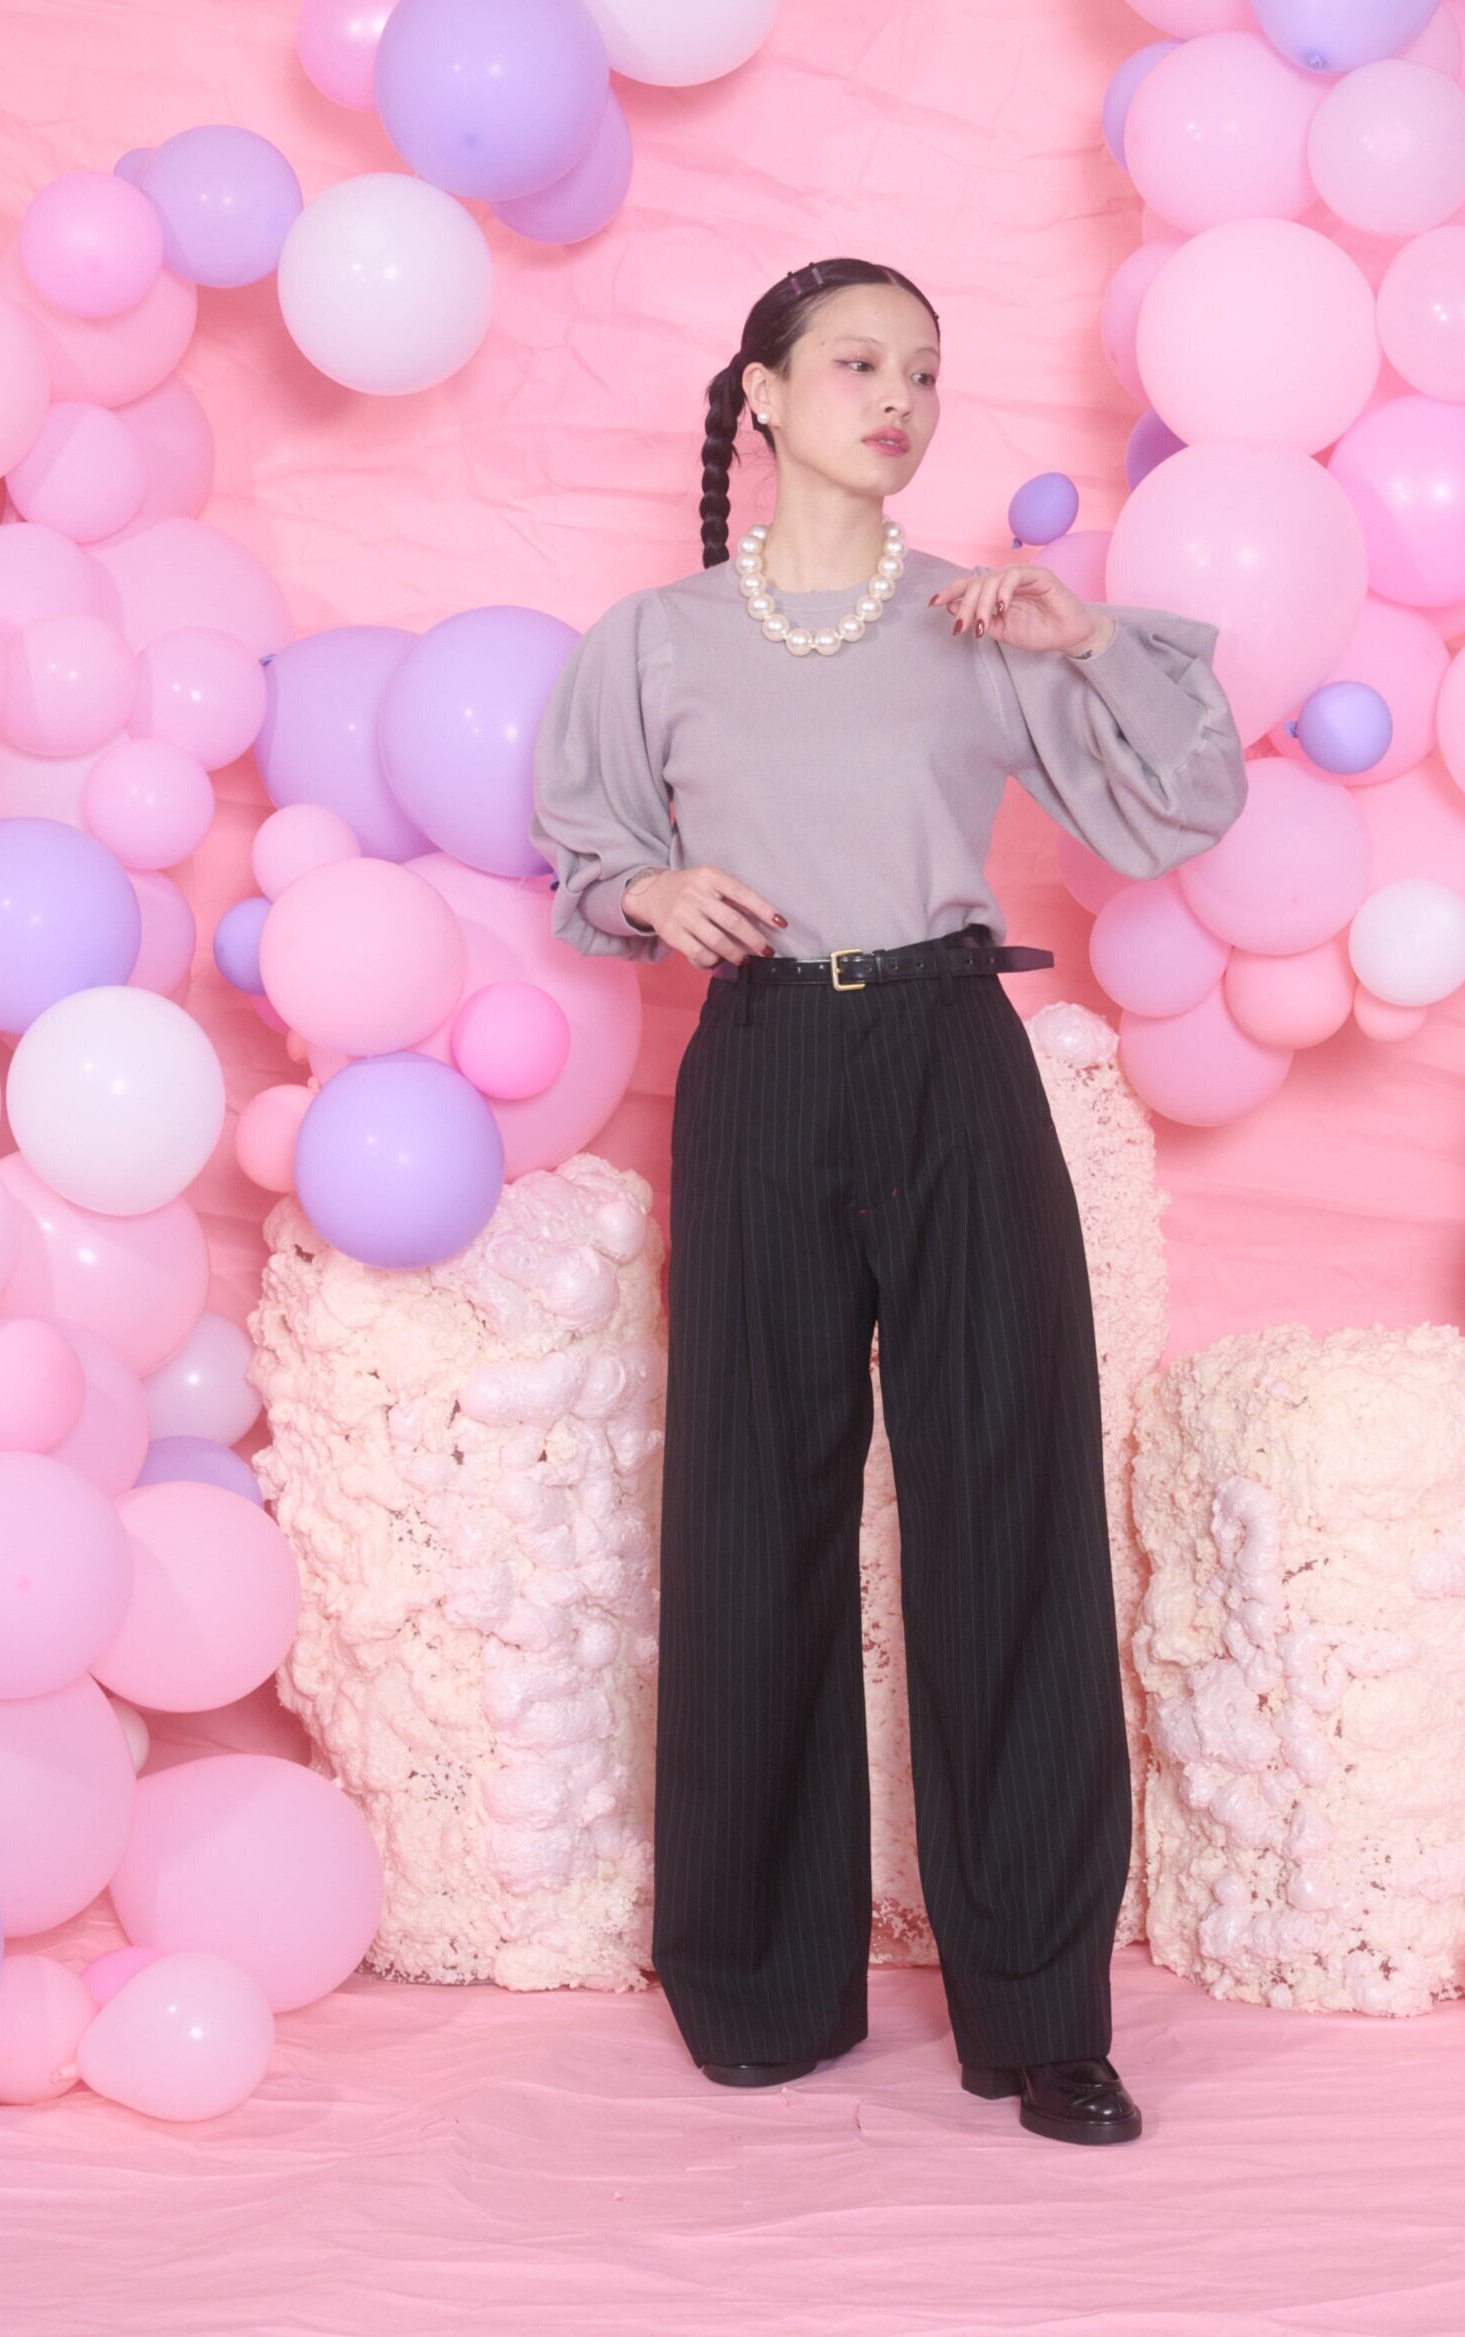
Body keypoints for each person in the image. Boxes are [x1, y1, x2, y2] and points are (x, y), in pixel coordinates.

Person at [529, 257, 1248, 2147]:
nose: (897, 397)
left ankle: (1043, 2014)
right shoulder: (655, 639)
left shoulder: (978, 620)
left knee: (1010, 1499)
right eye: (856, 362)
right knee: (751, 1505)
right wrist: (647, 893)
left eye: (923, 370)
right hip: (762, 1060)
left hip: (950, 1053)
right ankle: (759, 1984)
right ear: (762, 393)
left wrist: (1084, 641)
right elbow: (587, 848)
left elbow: (1179, 808)